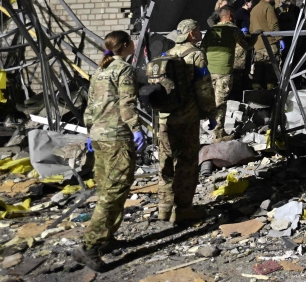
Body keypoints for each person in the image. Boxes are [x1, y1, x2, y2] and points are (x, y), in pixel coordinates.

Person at [75, 31, 145, 271]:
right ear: (125, 45)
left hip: (98, 136)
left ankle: (106, 238)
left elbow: (90, 105)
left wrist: (89, 131)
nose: (135, 44)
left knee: (107, 188)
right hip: (116, 137)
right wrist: (137, 128)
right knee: (114, 192)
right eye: (132, 41)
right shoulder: (124, 70)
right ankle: (88, 245)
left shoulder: (100, 70)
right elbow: (127, 104)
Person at [153, 20, 217, 222]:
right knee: (187, 163)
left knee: (166, 162)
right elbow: (204, 87)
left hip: (165, 119)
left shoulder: (166, 55)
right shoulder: (196, 55)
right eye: (197, 30)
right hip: (187, 118)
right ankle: (183, 210)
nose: (199, 33)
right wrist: (210, 112)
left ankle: (163, 209)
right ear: (190, 33)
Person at [201, 5, 250, 141]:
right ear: (230, 16)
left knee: (211, 101)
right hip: (224, 71)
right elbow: (246, 45)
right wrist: (254, 35)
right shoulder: (233, 30)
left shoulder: (211, 30)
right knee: (221, 103)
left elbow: (202, 48)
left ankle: (210, 127)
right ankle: (218, 134)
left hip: (210, 70)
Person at [250, 0, 280, 90]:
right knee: (271, 69)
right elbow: (274, 24)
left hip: (258, 45)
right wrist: (279, 38)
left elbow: (251, 29)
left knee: (259, 69)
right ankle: (272, 92)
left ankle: (257, 91)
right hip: (270, 43)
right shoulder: (268, 7)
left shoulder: (253, 9)